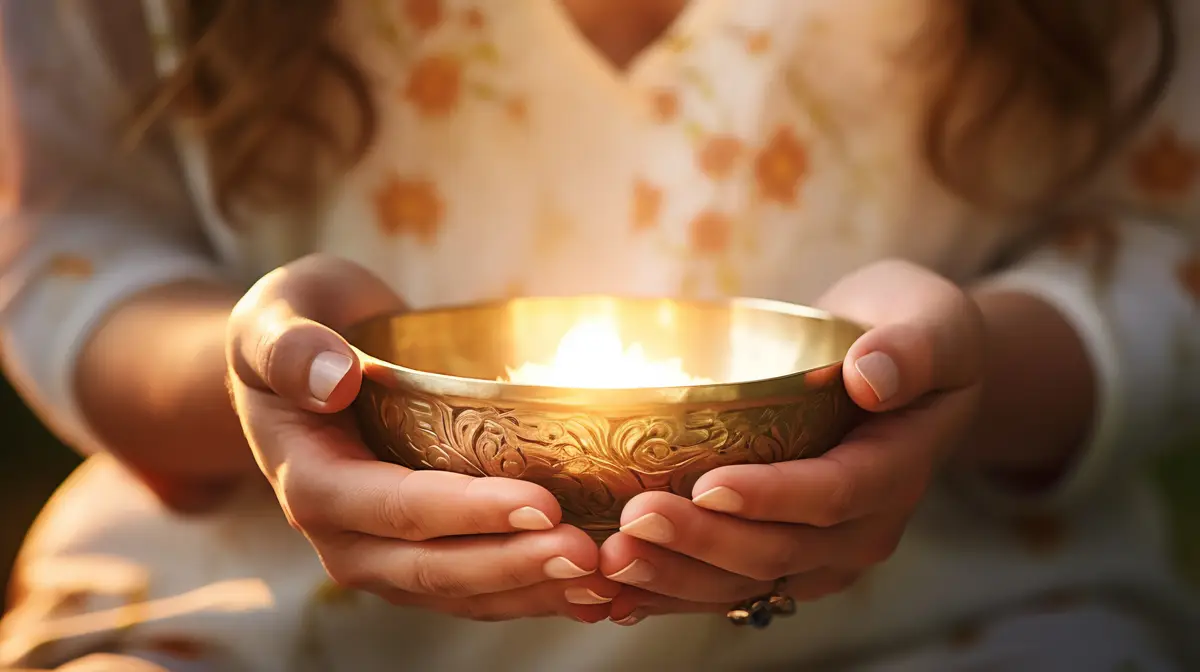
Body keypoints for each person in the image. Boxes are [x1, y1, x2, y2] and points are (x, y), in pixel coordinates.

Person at [0, 0, 1197, 669]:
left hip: (942, 613)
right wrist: (270, 383)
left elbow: (1164, 243)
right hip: (265, 624)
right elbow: (68, 233)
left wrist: (962, 375)